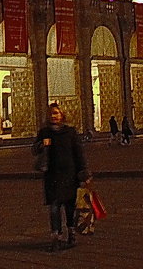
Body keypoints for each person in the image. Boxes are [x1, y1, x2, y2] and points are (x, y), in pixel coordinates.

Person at [33, 103, 90, 251]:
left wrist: (83, 172)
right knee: (54, 208)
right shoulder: (44, 132)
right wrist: (41, 146)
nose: (54, 116)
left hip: (69, 175)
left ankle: (71, 233)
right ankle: (56, 237)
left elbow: (78, 153)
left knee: (70, 207)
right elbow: (34, 150)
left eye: (56, 113)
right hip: (52, 176)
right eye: (51, 113)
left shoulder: (70, 132)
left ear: (62, 115)